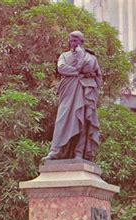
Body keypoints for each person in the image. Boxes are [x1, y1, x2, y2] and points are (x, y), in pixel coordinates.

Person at [41, 31, 102, 162]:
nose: (72, 43)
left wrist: (80, 59)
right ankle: (55, 151)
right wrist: (79, 71)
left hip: (85, 91)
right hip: (68, 90)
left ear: (81, 41)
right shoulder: (64, 55)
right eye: (71, 40)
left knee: (83, 121)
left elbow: (94, 72)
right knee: (62, 119)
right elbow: (62, 69)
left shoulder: (90, 57)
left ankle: (79, 153)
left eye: (75, 40)